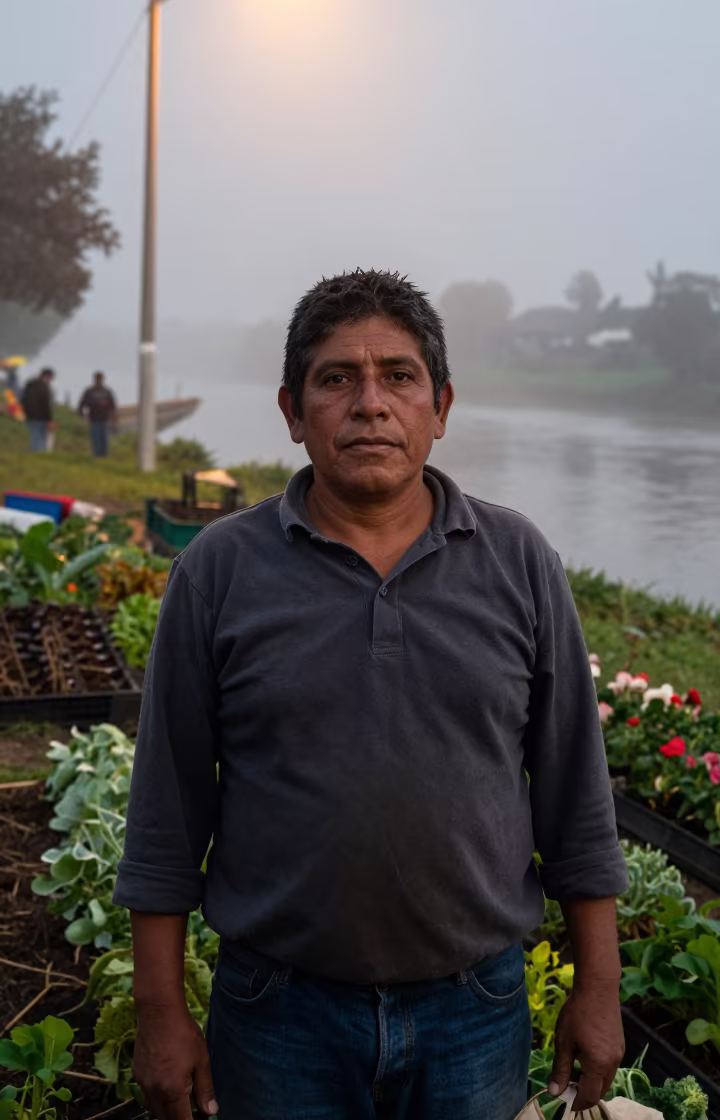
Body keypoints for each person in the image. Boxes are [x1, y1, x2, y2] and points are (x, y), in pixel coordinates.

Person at [114, 269, 627, 1120]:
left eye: (398, 375)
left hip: (475, 1010)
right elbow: (167, 809)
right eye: (336, 378)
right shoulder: (218, 572)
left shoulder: (519, 562)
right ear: (291, 410)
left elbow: (576, 795)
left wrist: (599, 990)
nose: (370, 404)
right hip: (276, 1009)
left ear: (441, 406)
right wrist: (160, 1011)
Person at [78, 371, 117, 457]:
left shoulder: (107, 392)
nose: (99, 380)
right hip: (94, 419)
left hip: (105, 419)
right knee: (95, 439)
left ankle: (103, 457)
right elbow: (82, 404)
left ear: (103, 379)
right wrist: (82, 415)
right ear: (94, 379)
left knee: (104, 440)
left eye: (100, 378)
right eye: (97, 378)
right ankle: (96, 456)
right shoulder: (89, 391)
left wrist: (114, 421)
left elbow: (113, 407)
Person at [21, 367, 55, 452]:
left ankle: (34, 456)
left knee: (34, 437)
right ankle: (38, 456)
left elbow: (22, 400)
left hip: (29, 416)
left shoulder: (29, 385)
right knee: (40, 439)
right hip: (41, 418)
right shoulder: (44, 387)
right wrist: (50, 419)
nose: (50, 381)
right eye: (50, 378)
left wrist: (25, 413)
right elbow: (46, 405)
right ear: (47, 376)